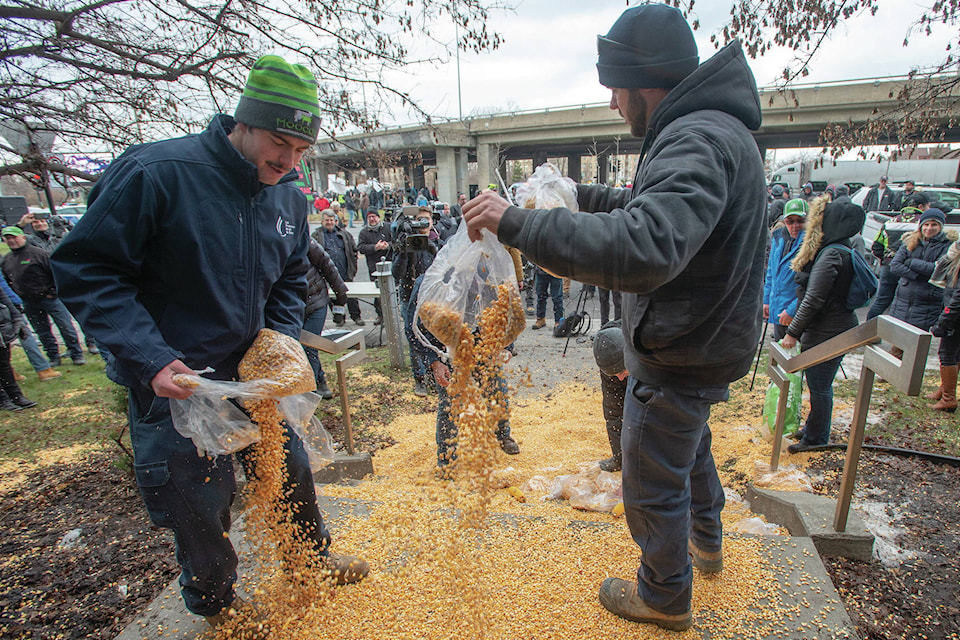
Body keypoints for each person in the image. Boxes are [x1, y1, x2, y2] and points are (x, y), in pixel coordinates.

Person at [463, 5, 766, 632]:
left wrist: (517, 225)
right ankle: (706, 544)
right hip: (707, 340)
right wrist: (575, 199)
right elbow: (647, 207)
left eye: (615, 89)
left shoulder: (695, 139)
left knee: (652, 476)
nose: (612, 104)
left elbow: (646, 244)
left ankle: (663, 595)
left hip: (681, 346)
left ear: (643, 80)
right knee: (691, 446)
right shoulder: (708, 129)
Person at [49, 55, 368, 627]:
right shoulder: (158, 173)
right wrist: (149, 357)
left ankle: (309, 562)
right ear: (243, 122)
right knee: (199, 497)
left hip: (249, 372)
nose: (289, 161)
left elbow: (291, 274)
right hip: (176, 378)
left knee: (289, 466)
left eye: (301, 150)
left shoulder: (288, 198)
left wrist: (277, 337)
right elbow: (85, 268)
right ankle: (217, 600)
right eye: (278, 142)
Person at [405, 275, 520, 465]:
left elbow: (508, 313)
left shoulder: (491, 277)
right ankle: (447, 459)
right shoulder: (431, 282)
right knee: (450, 404)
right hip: (446, 349)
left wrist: (507, 346)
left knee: (497, 392)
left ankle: (502, 434)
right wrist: (434, 362)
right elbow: (413, 327)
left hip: (483, 345)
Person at [782, 197, 865, 453]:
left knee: (819, 386)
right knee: (817, 384)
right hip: (830, 327)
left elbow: (814, 298)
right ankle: (812, 428)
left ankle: (816, 439)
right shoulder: (840, 248)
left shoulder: (832, 254)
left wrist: (792, 332)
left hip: (829, 331)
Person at [1, 226, 86, 367]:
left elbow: (57, 274)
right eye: (7, 238)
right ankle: (53, 356)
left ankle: (76, 353)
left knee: (65, 327)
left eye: (14, 237)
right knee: (42, 331)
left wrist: (52, 292)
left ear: (23, 237)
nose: (11, 241)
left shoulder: (39, 254)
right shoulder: (7, 260)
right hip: (28, 302)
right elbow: (6, 281)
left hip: (50, 299)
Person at [392, 206, 441, 396]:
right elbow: (396, 274)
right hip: (409, 295)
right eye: (419, 220)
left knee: (434, 337)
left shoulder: (438, 242)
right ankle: (419, 378)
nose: (423, 224)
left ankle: (434, 372)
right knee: (414, 337)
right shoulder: (405, 244)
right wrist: (404, 252)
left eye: (426, 220)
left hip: (432, 299)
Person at [887, 208, 952, 334]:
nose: (929, 228)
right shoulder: (910, 241)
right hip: (902, 301)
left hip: (928, 302)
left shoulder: (947, 246)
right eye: (926, 224)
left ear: (940, 226)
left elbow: (938, 269)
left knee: (917, 343)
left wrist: (911, 262)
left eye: (934, 225)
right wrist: (917, 275)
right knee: (898, 342)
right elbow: (895, 265)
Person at [867, 192, 930, 319]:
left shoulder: (891, 222)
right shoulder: (924, 224)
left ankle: (867, 331)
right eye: (929, 206)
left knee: (882, 300)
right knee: (904, 304)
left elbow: (877, 247)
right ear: (921, 206)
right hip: (911, 269)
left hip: (888, 266)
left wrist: (886, 259)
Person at [304, 236, 349, 400]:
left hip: (316, 301)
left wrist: (341, 296)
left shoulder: (305, 241)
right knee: (301, 348)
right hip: (292, 306)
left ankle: (310, 392)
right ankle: (320, 379)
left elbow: (327, 265)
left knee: (309, 347)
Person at [764, 199, 809, 340]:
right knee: (780, 351)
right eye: (790, 221)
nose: (795, 226)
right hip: (779, 308)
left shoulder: (810, 244)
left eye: (800, 221)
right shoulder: (778, 239)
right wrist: (766, 300)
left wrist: (792, 310)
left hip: (798, 312)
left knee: (796, 357)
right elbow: (771, 272)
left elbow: (811, 286)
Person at [0, 277, 61, 381]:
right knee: (25, 335)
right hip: (7, 305)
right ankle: (43, 369)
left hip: (6, 304)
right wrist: (15, 300)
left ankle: (10, 372)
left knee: (5, 341)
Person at [313, 209, 364, 326]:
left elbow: (354, 251)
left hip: (345, 271)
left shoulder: (344, 234)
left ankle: (356, 316)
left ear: (335, 221)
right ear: (322, 221)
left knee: (351, 297)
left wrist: (353, 267)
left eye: (331, 220)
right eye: (327, 220)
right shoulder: (316, 235)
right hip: (327, 274)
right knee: (334, 298)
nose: (329, 222)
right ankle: (339, 318)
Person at [927, 238, 960, 411]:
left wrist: (944, 321)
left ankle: (948, 398)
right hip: (955, 315)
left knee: (946, 354)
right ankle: (944, 389)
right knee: (956, 354)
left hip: (955, 318)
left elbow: (957, 299)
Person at [592, 323, 628, 472]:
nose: (619, 378)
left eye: (621, 371)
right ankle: (621, 458)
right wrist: (620, 458)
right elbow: (613, 410)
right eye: (614, 374)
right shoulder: (607, 358)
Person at [0, 285, 37, 411]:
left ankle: (15, 396)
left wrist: (17, 318)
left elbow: (4, 297)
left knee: (4, 363)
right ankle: (3, 399)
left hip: (2, 327)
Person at [356, 208, 393, 325]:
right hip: (374, 268)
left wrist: (387, 246)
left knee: (393, 292)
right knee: (378, 294)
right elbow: (361, 248)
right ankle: (380, 315)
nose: (372, 219)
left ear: (378, 217)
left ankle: (394, 314)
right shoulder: (364, 232)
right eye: (369, 217)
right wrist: (375, 248)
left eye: (374, 216)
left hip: (391, 266)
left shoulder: (389, 228)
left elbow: (397, 242)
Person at [531, 266, 564, 332]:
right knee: (541, 296)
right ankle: (540, 318)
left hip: (556, 270)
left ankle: (559, 320)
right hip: (541, 270)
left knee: (557, 298)